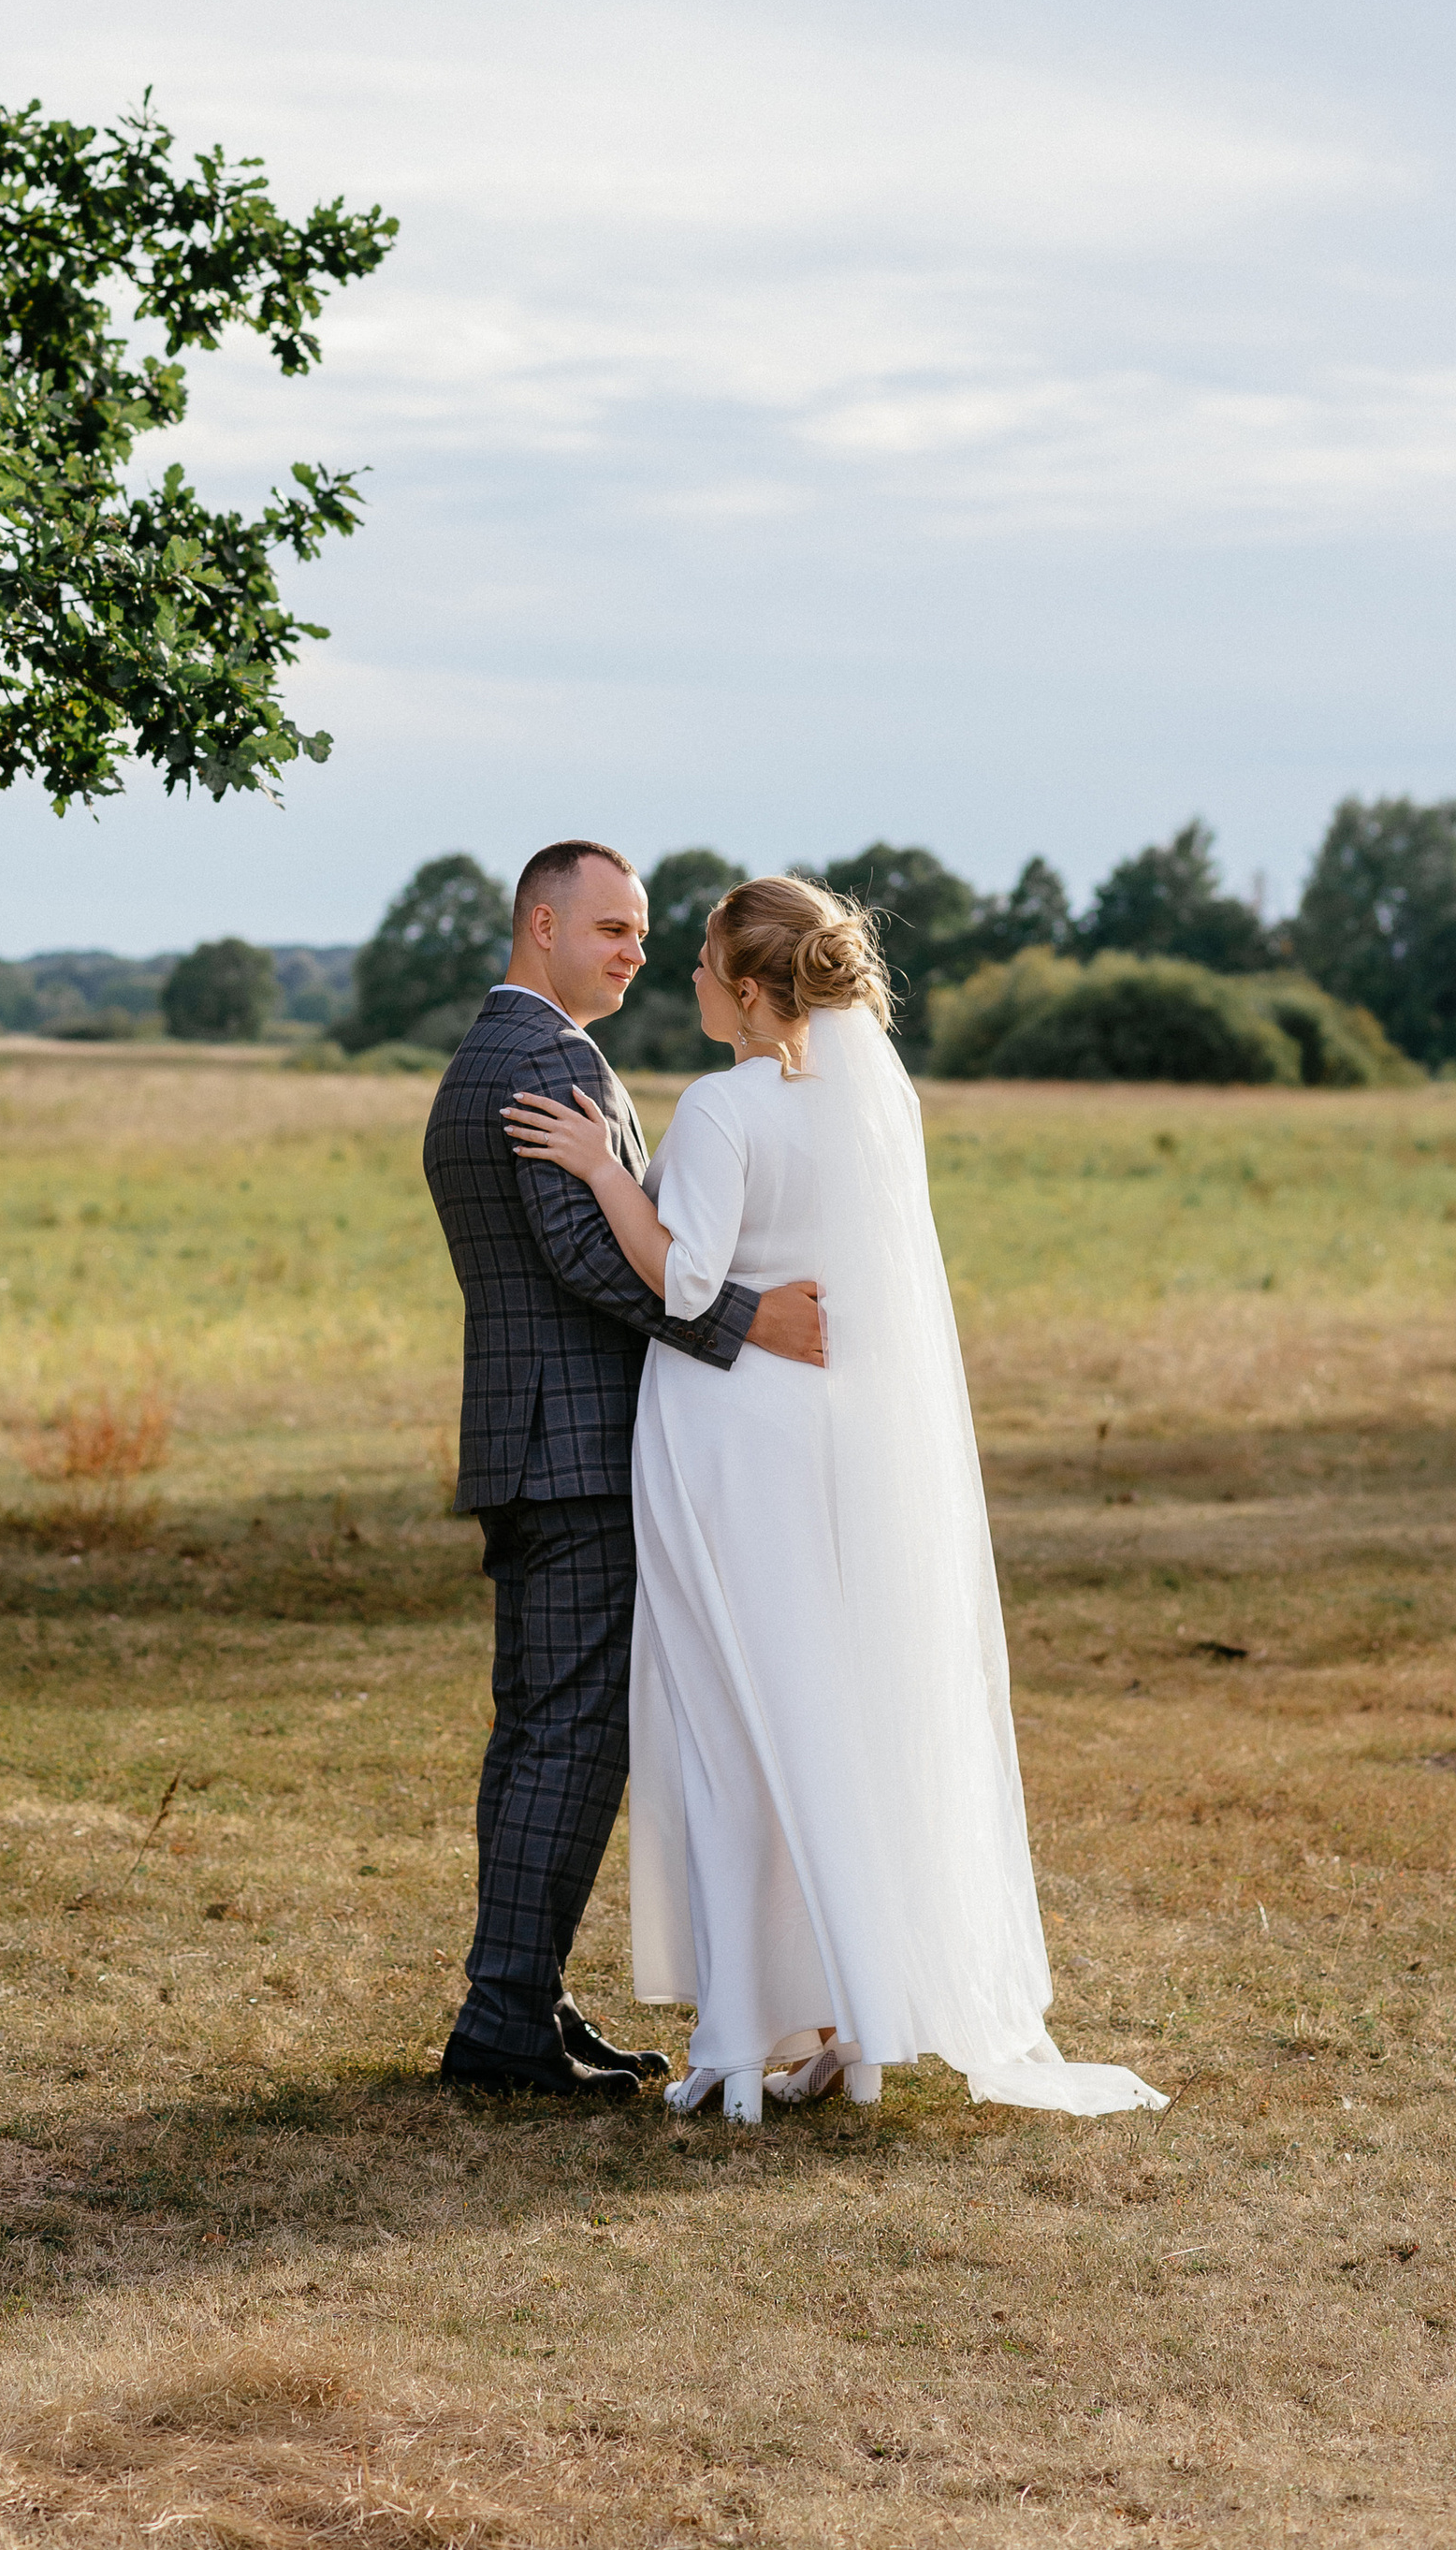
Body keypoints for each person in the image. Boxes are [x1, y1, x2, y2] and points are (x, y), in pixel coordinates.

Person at [502, 872, 1167, 2122]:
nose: (686, 976)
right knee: (820, 1703)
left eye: (702, 960)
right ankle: (837, 2007)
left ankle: (753, 2018)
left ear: (751, 991)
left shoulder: (723, 1107)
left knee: (732, 1716)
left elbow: (688, 1284)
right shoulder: (871, 1107)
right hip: (820, 1430)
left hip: (723, 1437)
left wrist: (600, 1167)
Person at [421, 839, 831, 2100]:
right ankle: (502, 2019)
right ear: (539, 924)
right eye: (611, 928)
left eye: (646, 932)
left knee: (546, 1728)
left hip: (534, 1439)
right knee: (571, 1734)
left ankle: (522, 1997)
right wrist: (747, 1319)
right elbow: (587, 1263)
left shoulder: (494, 1052)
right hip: (574, 1449)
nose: (636, 951)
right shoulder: (544, 1059)